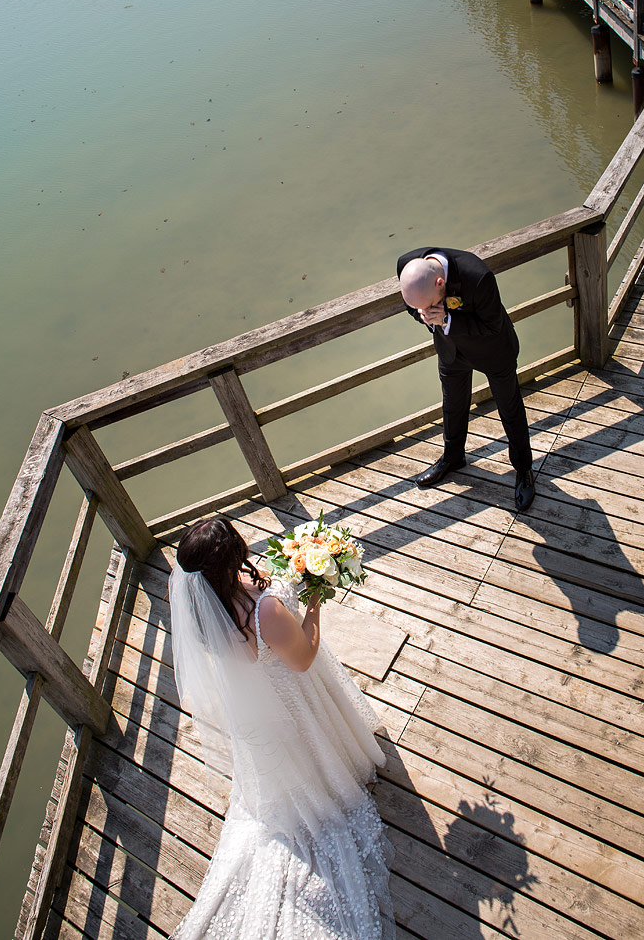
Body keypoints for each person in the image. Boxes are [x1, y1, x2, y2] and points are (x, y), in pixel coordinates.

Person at [167, 516, 394, 940]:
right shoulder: (263, 608)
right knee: (315, 741)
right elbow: (304, 657)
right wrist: (313, 603)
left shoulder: (197, 602)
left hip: (259, 707)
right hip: (293, 693)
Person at [397, 247, 535, 511]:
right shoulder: (407, 265)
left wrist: (448, 320)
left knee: (510, 409)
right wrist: (426, 317)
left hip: (493, 351)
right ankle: (453, 458)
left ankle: (524, 470)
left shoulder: (479, 277)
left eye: (430, 305)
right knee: (453, 405)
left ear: (441, 283)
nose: (425, 311)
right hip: (451, 351)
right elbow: (410, 304)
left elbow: (492, 326)